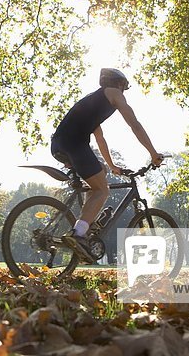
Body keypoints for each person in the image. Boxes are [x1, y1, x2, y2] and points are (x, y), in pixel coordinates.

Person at [51, 68, 165, 263]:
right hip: (74, 143)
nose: (124, 92)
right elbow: (134, 124)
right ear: (119, 83)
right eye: (124, 88)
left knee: (99, 174)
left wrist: (111, 166)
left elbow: (100, 139)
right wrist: (153, 153)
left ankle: (86, 226)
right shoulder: (113, 93)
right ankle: (78, 234)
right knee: (102, 190)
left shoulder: (93, 103)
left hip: (59, 144)